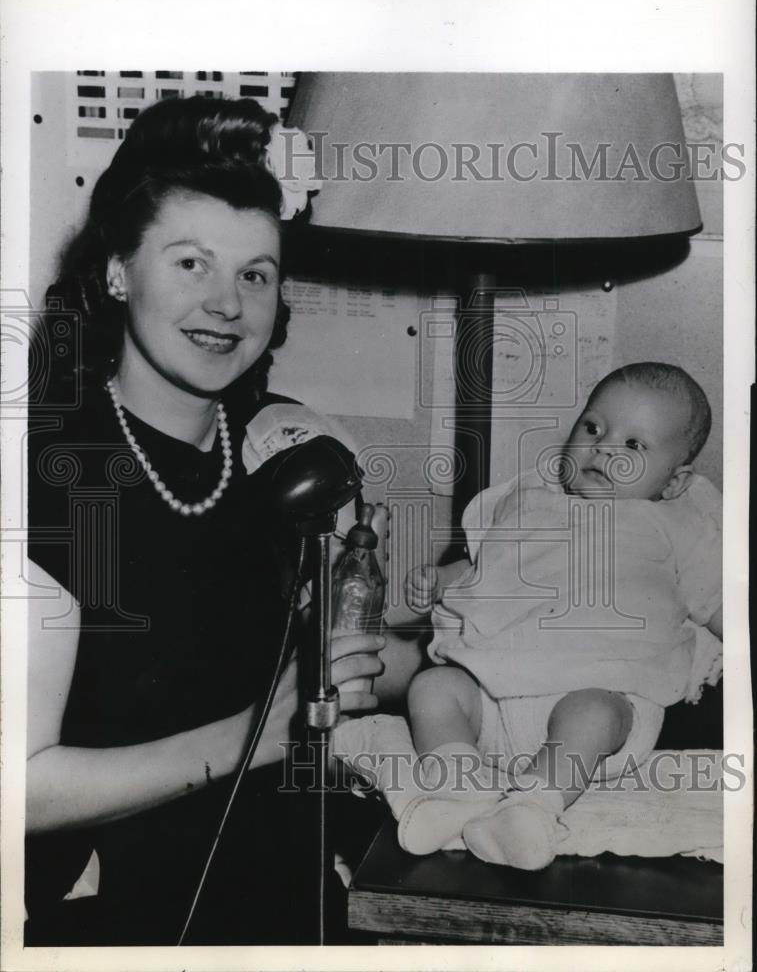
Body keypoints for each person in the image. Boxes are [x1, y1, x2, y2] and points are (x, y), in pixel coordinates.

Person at [25, 96, 419, 944]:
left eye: (255, 274)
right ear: (118, 271)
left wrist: (445, 641)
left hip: (289, 877)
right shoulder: (48, 479)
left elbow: (340, 677)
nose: (228, 305)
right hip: (114, 909)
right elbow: (17, 790)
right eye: (191, 264)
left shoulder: (293, 454)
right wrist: (252, 735)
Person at [335, 362, 722, 869]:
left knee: (592, 713)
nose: (604, 448)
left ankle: (532, 809)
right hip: (494, 704)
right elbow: (486, 565)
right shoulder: (529, 498)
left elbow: (722, 608)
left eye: (634, 445)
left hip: (605, 706)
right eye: (593, 428)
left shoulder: (677, 521)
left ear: (674, 482)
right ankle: (458, 792)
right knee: (434, 688)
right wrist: (442, 580)